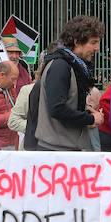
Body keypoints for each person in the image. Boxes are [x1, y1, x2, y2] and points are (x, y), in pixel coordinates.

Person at [24, 16, 104, 151]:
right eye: (93, 42)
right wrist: (90, 118)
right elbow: (57, 109)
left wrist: (84, 109)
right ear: (77, 42)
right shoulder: (60, 66)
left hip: (64, 148)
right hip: (56, 151)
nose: (97, 48)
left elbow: (65, 103)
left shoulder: (73, 65)